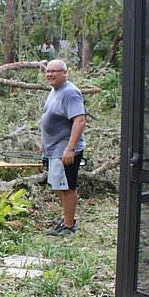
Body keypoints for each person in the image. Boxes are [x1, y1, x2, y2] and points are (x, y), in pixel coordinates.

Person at [40, 59, 86, 236]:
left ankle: (68, 227)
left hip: (65, 150)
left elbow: (79, 120)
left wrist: (71, 148)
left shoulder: (70, 93)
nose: (50, 74)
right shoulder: (55, 91)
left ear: (64, 73)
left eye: (55, 71)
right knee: (60, 185)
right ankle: (68, 219)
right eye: (48, 71)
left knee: (68, 187)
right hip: (54, 150)